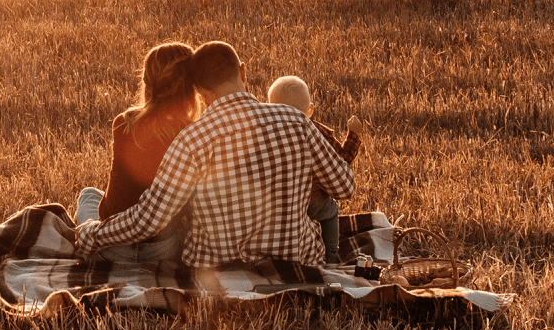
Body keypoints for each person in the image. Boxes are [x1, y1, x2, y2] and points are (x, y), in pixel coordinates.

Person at [75, 41, 355, 267]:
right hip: (296, 259)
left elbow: (149, 218)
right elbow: (344, 187)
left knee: (91, 198)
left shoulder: (192, 140)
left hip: (218, 266)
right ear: (242, 72)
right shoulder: (296, 121)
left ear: (198, 89)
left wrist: (92, 235)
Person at [75, 42, 202, 262]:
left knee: (88, 195)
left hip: (111, 248)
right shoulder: (193, 133)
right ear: (192, 86)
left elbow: (111, 205)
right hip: (162, 251)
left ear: (146, 82)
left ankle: (86, 238)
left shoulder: (125, 123)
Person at [267, 75, 364, 265]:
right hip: (314, 201)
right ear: (309, 110)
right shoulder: (318, 133)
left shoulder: (269, 133)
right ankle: (330, 256)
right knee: (331, 210)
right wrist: (354, 134)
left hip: (281, 203)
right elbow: (343, 159)